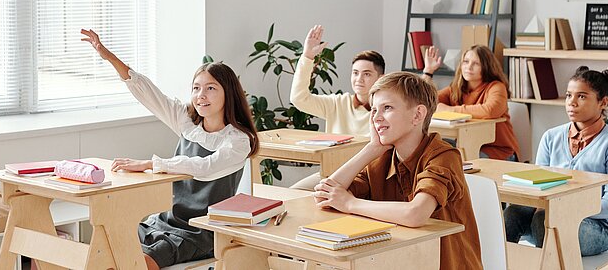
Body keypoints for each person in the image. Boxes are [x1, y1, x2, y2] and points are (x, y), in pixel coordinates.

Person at [81, 28, 259, 270]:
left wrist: (152, 164)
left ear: (229, 93)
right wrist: (109, 57)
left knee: (137, 264)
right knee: (107, 248)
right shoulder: (188, 122)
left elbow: (205, 168)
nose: (200, 95)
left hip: (199, 232)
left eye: (210, 88)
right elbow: (149, 94)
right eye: (196, 88)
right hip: (163, 221)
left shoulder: (238, 141)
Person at [312, 72, 483, 270]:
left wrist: (350, 203)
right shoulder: (381, 158)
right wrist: (370, 149)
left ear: (418, 115)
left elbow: (416, 213)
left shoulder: (444, 156)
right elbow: (325, 195)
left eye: (387, 108)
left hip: (445, 264)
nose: (376, 117)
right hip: (402, 261)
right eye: (374, 110)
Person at [503, 66, 608, 256]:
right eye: (568, 95)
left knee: (544, 221)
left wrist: (564, 208)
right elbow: (538, 186)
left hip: (595, 227)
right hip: (549, 215)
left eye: (581, 96)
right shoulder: (550, 137)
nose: (572, 102)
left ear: (603, 102)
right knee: (512, 214)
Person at [289, 24, 384, 190]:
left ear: (381, 78)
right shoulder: (337, 103)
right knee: (292, 193)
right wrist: (307, 56)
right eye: (355, 73)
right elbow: (299, 99)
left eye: (367, 74)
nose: (359, 79)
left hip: (368, 177)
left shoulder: (387, 109)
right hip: (331, 174)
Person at [422, 44, 520, 160]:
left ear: (486, 67)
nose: (469, 67)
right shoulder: (456, 88)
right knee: (431, 151)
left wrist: (449, 110)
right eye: (466, 62)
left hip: (498, 152)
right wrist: (428, 72)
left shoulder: (496, 87)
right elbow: (423, 99)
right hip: (465, 144)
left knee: (450, 159)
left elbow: (490, 111)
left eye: (476, 63)